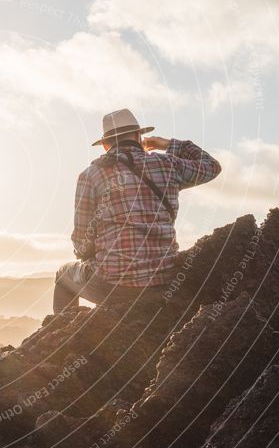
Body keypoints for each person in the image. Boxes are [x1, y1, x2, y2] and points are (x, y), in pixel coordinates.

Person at [53, 108, 222, 313]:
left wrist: (88, 254)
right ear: (139, 136)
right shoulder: (167, 165)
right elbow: (211, 167)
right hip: (163, 281)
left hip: (112, 286)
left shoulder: (91, 175)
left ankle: (64, 336)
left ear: (106, 144)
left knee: (63, 276)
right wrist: (169, 144)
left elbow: (81, 237)